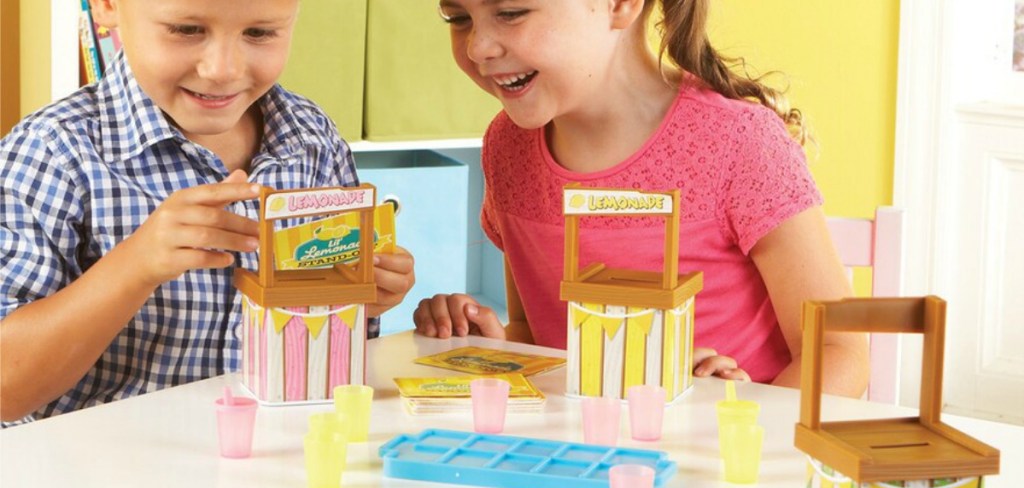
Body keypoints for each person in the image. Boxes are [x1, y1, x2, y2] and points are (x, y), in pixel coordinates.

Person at [413, 0, 867, 397]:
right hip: (593, 459)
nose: (477, 47)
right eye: (457, 17)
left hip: (725, 473)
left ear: (620, 4)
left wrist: (740, 429)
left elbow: (840, 352)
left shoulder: (739, 141)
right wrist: (492, 345)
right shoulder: (506, 147)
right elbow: (538, 334)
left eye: (511, 13)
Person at [0, 0, 415, 424]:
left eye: (259, 33)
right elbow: (5, 391)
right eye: (185, 29)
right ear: (108, 6)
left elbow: (333, 347)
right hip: (95, 471)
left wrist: (360, 296)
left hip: (268, 454)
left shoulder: (313, 140)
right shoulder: (52, 151)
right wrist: (135, 265)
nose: (223, 69)